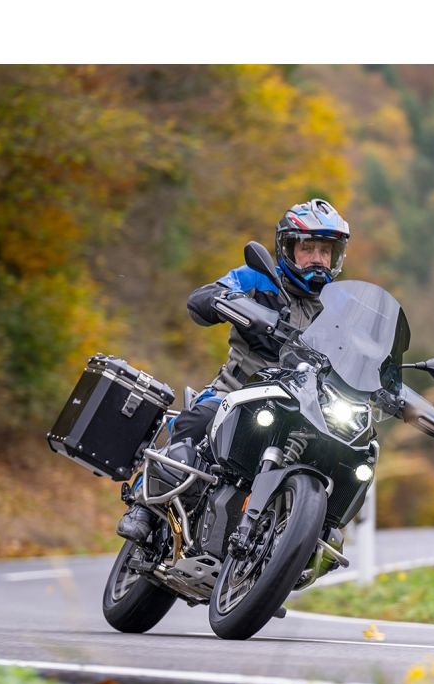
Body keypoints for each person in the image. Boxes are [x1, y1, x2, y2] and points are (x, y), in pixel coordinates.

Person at [117, 198, 350, 542]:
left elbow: (364, 354)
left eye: (326, 251)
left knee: (338, 463)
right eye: (308, 248)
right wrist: (227, 301)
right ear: (288, 248)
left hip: (303, 415)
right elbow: (204, 298)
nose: (318, 259)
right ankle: (143, 504)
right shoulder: (259, 278)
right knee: (197, 422)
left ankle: (296, 541)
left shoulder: (338, 310)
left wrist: (394, 388)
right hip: (237, 393)